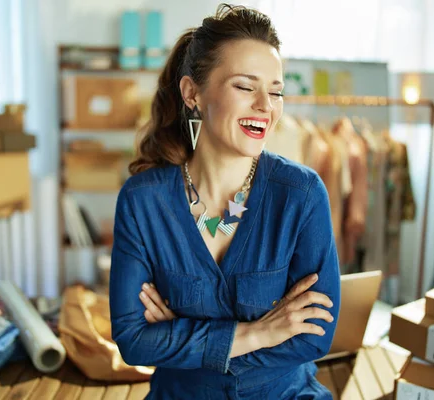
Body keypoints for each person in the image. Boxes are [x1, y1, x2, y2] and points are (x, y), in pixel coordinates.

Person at [109, 4, 341, 399]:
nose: (266, 106)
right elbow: (133, 341)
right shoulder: (142, 200)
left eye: (276, 91)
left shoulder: (301, 195)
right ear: (192, 93)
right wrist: (259, 332)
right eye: (246, 86)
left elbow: (314, 338)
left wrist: (180, 340)